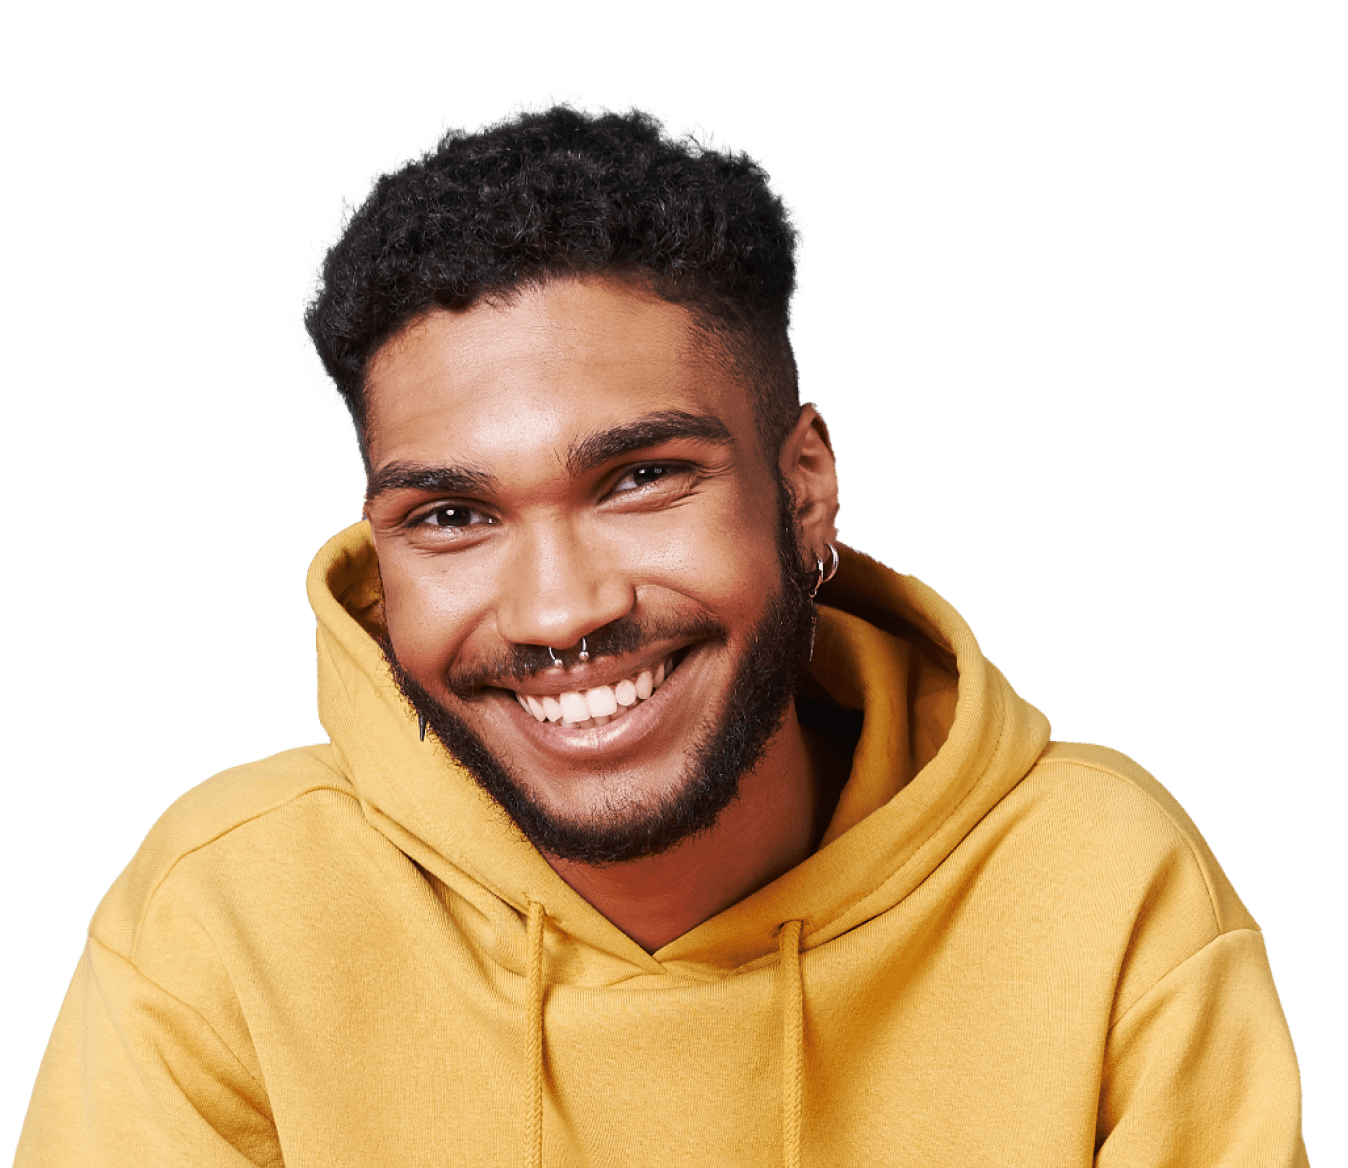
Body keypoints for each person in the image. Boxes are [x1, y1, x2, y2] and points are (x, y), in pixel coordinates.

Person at [17, 99, 1308, 1167]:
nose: (559, 609)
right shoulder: (230, 909)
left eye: (638, 479)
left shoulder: (1099, 883)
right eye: (454, 513)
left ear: (802, 483)